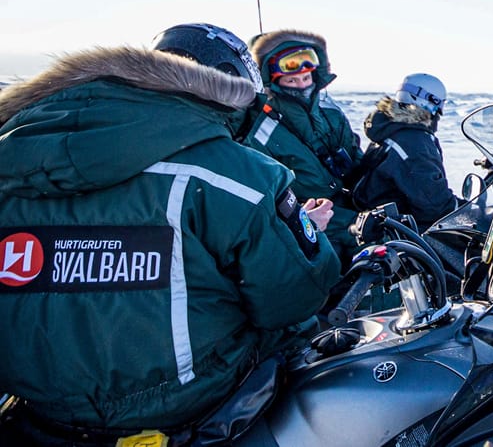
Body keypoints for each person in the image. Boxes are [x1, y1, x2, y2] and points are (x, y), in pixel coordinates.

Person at [0, 24, 340, 443]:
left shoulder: (12, 158)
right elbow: (294, 296)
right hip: (192, 398)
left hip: (38, 405)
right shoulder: (236, 175)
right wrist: (305, 237)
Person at [242, 30, 365, 270]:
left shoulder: (332, 115)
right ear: (274, 81)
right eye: (292, 81)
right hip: (312, 220)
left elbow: (357, 162)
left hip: (350, 205)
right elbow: (271, 201)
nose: (301, 85)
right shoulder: (261, 133)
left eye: (305, 78)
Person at [350, 73, 459, 229]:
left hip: (382, 218)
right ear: (430, 103)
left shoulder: (393, 129)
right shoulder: (414, 142)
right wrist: (466, 211)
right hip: (396, 229)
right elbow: (434, 204)